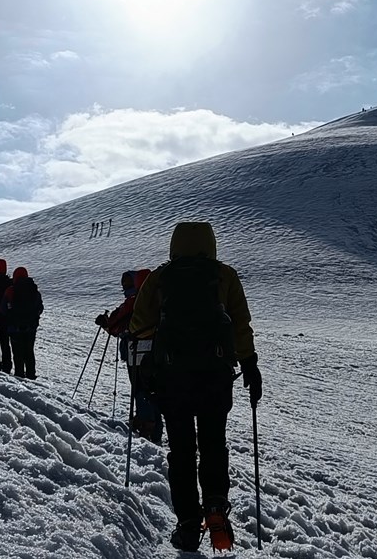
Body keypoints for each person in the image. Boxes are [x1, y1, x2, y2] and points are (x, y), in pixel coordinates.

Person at [128, 222, 260, 553]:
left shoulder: (161, 277)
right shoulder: (224, 275)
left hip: (173, 379)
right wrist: (250, 365)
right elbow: (240, 324)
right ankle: (215, 505)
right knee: (214, 443)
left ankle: (188, 523)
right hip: (215, 377)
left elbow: (139, 324)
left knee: (182, 451)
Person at [99, 269, 161, 443]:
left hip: (136, 353)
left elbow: (115, 325)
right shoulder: (160, 300)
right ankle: (156, 430)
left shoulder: (133, 303)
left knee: (140, 389)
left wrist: (106, 323)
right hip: (158, 354)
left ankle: (146, 429)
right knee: (155, 390)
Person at [5, 266, 43, 378]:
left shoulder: (10, 290)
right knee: (29, 351)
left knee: (18, 353)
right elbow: (40, 308)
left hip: (15, 327)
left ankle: (19, 375)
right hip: (31, 327)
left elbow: (4, 308)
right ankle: (31, 374)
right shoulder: (34, 291)